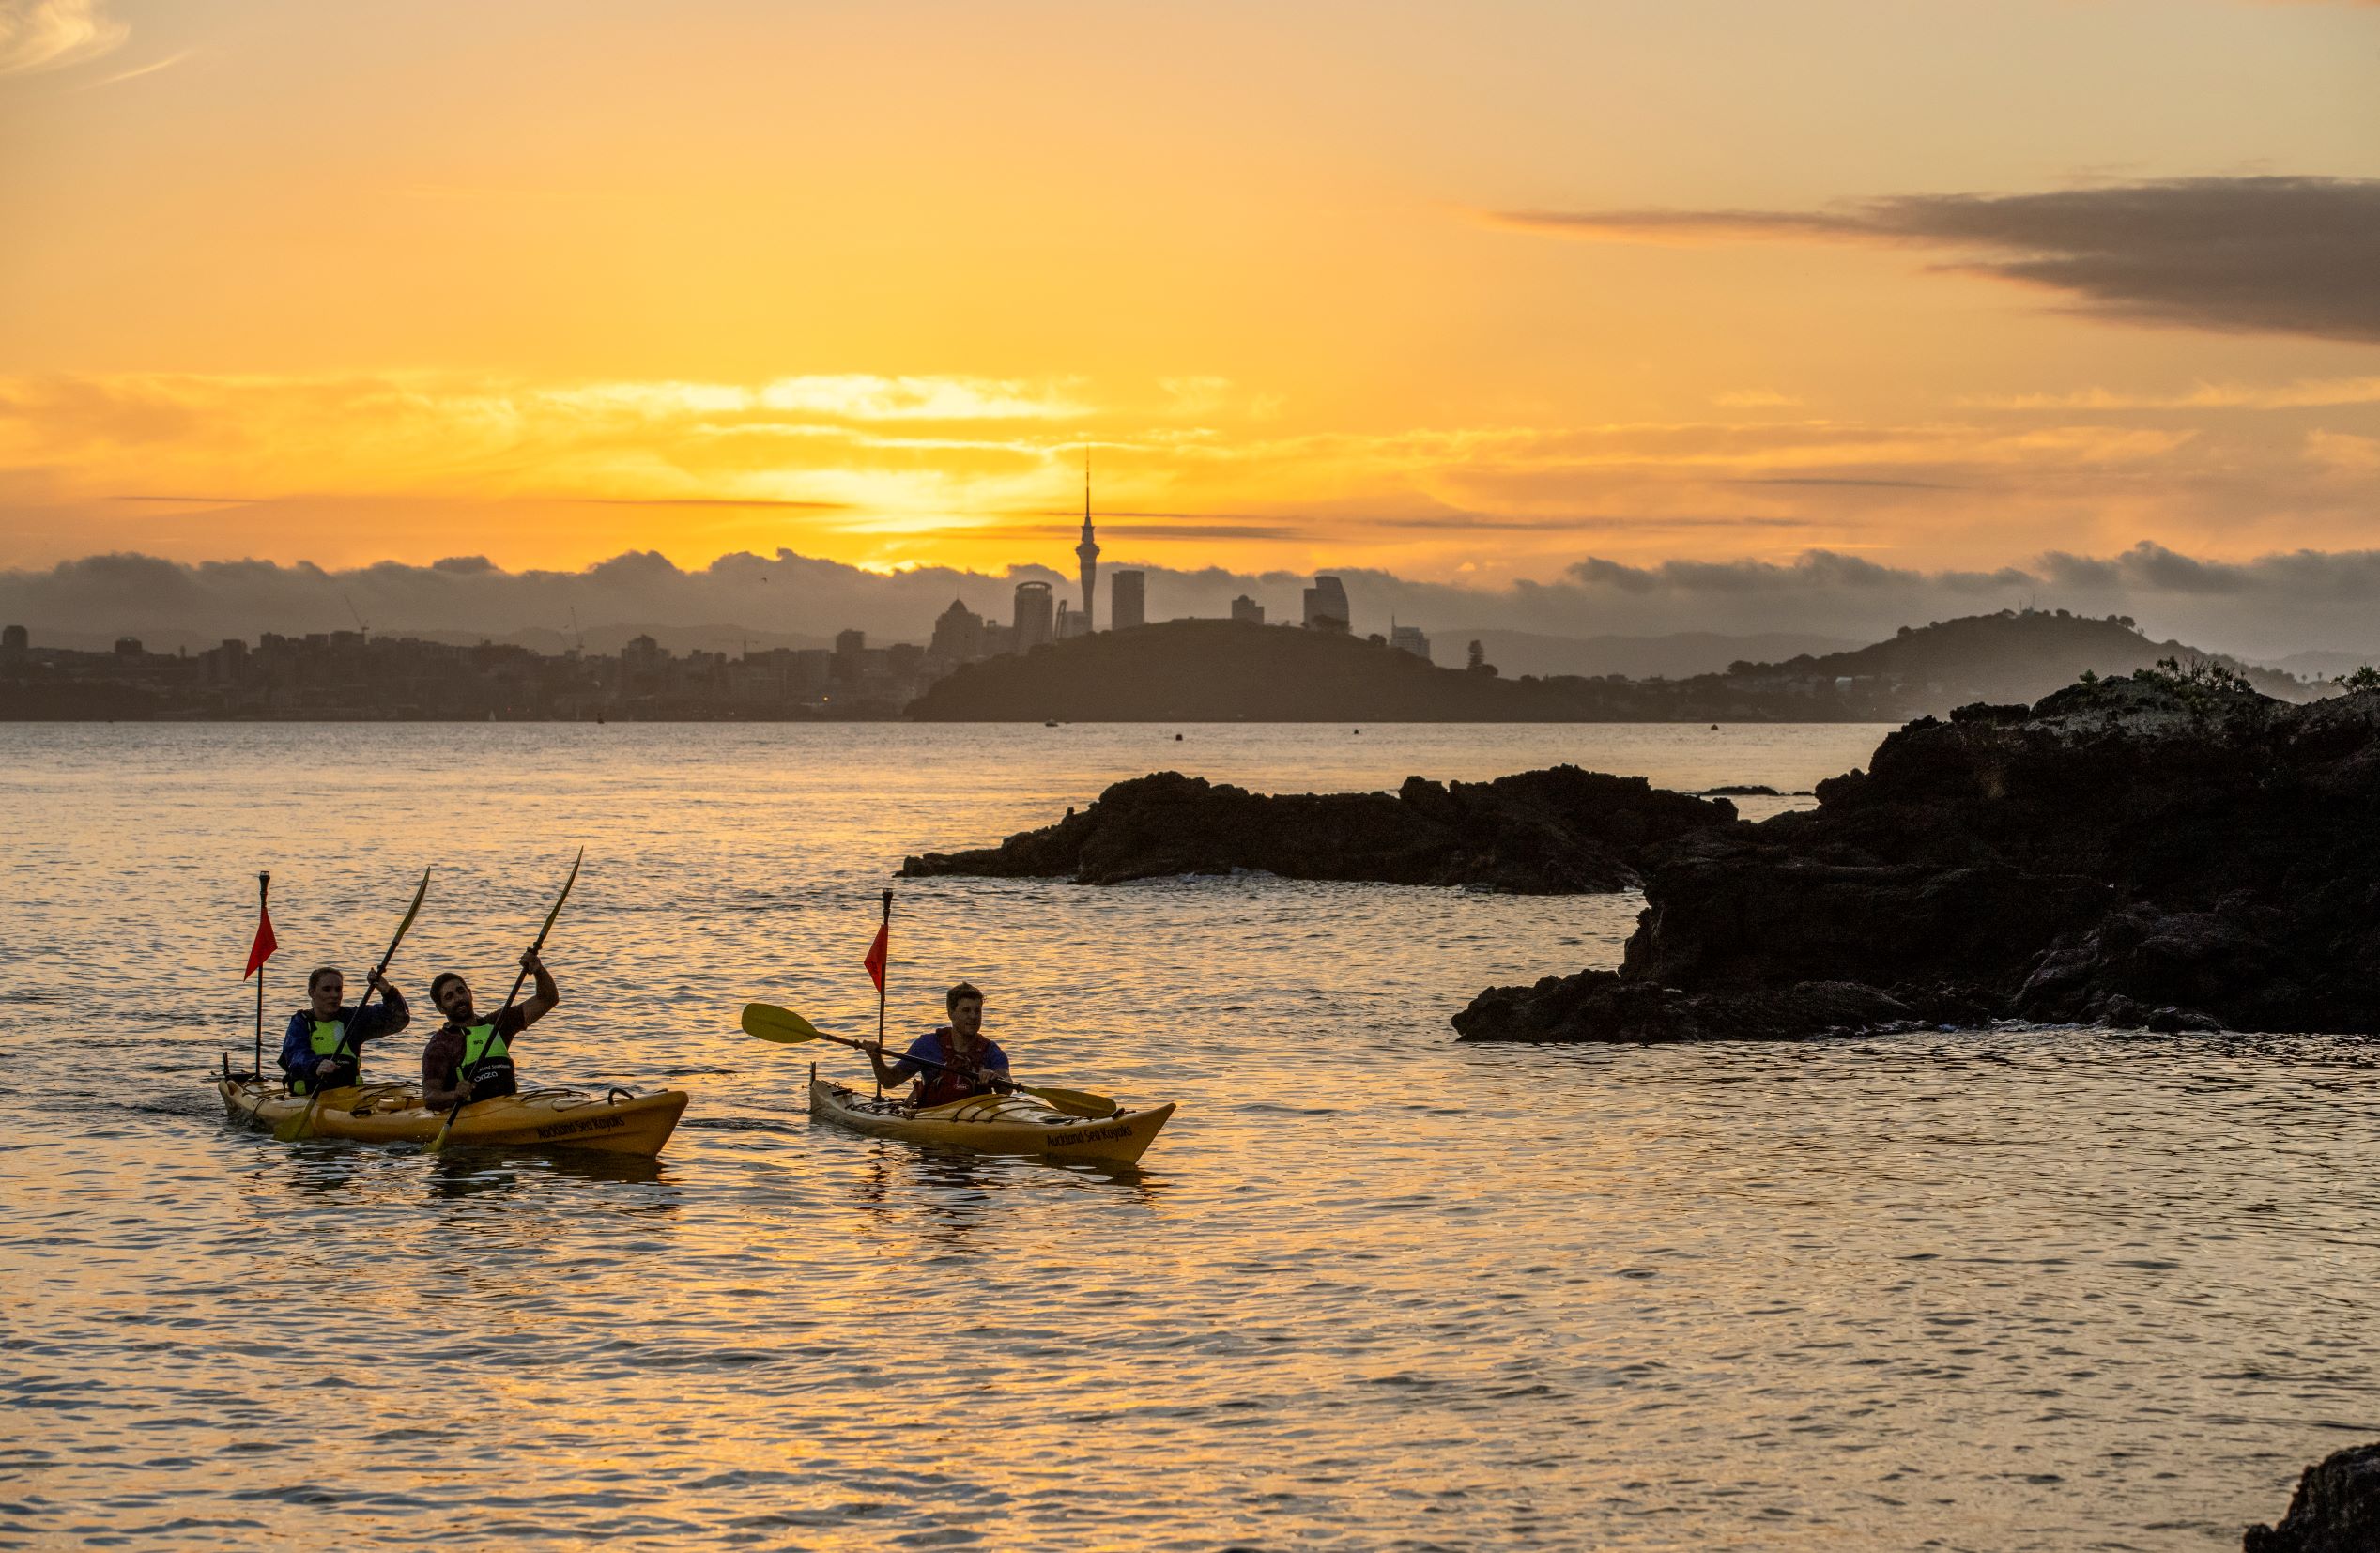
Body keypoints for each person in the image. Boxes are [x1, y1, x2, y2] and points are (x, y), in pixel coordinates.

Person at [421, 948, 559, 1111]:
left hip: (507, 1108)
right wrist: (455, 1094)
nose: (458, 998)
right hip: (470, 1116)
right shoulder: (440, 1045)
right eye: (449, 997)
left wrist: (538, 971)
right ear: (440, 1009)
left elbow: (548, 999)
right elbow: (430, 1097)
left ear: (470, 994)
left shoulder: (498, 1023)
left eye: (461, 991)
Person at [865, 981, 1011, 1107]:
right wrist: (876, 1059)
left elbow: (1007, 1086)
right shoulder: (927, 1045)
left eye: (977, 1011)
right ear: (951, 1013)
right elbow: (890, 1081)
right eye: (966, 1010)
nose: (973, 1016)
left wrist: (995, 1078)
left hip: (978, 1119)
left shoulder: (991, 1050)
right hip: (932, 1115)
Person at [280, 964, 409, 1096]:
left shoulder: (353, 1019)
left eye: (338, 989)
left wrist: (388, 991)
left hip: (349, 1098)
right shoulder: (300, 1022)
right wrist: (316, 1066)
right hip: (308, 1097)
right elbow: (295, 1055)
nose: (334, 995)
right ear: (312, 993)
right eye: (327, 989)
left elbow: (399, 1019)